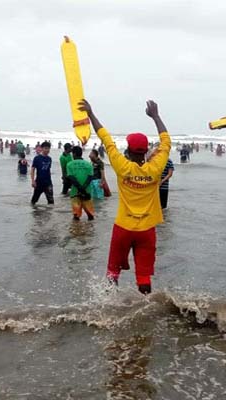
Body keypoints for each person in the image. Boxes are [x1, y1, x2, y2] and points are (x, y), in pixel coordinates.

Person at [79, 98, 170, 295]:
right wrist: (156, 116)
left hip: (123, 228)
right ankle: (146, 311)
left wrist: (90, 113)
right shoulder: (155, 168)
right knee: (144, 277)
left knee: (113, 272)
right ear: (146, 152)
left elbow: (106, 139)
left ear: (127, 151)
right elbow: (166, 142)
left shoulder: (122, 166)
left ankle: (110, 310)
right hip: (147, 230)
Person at [66, 146, 95, 221]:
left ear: (74, 154)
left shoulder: (69, 164)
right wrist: (83, 188)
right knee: (90, 215)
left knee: (76, 215)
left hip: (75, 192)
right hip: (87, 192)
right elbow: (90, 177)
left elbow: (71, 178)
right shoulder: (88, 164)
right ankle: (90, 231)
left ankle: (77, 231)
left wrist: (79, 188)